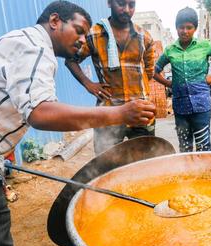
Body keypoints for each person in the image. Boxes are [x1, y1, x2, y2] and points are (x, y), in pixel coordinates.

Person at [0, 1, 155, 246]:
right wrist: (119, 114)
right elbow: (41, 113)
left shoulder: (20, 41)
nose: (82, 40)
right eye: (79, 31)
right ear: (55, 21)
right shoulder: (35, 46)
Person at [66, 0, 155, 155]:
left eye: (131, 5)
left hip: (141, 112)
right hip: (108, 113)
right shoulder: (94, 35)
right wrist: (88, 84)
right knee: (105, 163)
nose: (126, 9)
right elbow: (71, 60)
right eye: (121, 3)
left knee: (145, 162)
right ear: (109, 3)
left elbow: (149, 72)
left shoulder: (144, 37)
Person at [154, 7, 211, 153]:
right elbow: (154, 71)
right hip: (180, 107)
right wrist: (169, 84)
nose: (185, 31)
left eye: (189, 27)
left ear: (195, 28)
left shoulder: (204, 46)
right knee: (184, 147)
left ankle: (205, 174)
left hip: (201, 106)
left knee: (204, 146)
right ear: (176, 28)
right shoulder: (170, 50)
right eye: (181, 27)